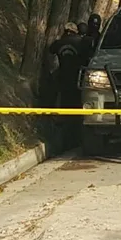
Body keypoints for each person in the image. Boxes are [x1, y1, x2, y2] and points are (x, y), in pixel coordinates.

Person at [46, 22, 88, 153]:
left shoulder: (60, 43)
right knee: (78, 110)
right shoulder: (82, 42)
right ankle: (76, 139)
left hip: (63, 79)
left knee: (65, 109)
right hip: (78, 80)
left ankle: (66, 140)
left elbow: (51, 49)